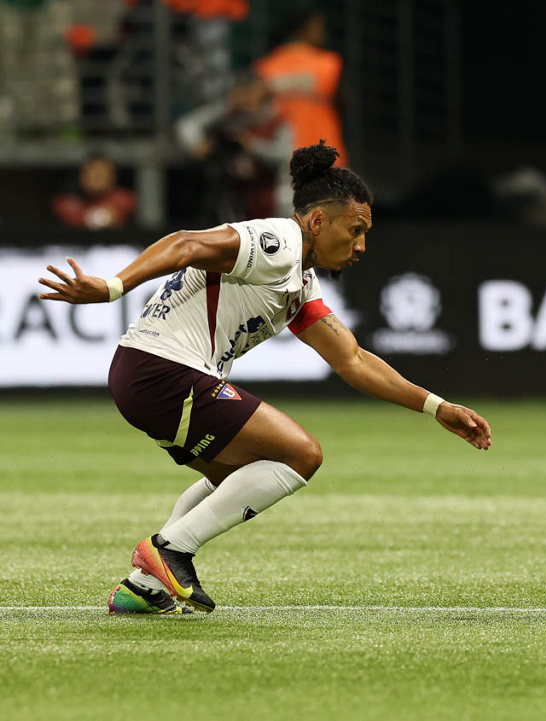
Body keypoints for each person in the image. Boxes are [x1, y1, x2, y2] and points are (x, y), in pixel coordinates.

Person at [38, 142, 491, 615]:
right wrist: (113, 287)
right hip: (163, 369)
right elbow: (185, 244)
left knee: (244, 474)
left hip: (147, 374)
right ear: (318, 221)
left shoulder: (299, 277)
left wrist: (437, 407)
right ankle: (170, 549)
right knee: (301, 454)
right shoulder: (277, 243)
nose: (361, 246)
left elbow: (352, 360)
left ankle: (145, 586)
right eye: (355, 230)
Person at [175, 71, 293, 222]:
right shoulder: (227, 120)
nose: (245, 100)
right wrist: (198, 143)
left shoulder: (276, 123)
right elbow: (186, 126)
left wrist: (252, 145)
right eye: (240, 94)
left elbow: (285, 156)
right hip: (229, 202)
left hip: (267, 202)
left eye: (249, 93)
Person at [254, 10, 348, 165]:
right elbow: (343, 104)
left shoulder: (265, 66)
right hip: (325, 155)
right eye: (318, 27)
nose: (323, 32)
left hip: (278, 157)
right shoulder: (328, 64)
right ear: (303, 29)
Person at [51, 154, 138, 230]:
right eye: (92, 172)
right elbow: (66, 212)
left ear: (112, 176)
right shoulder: (67, 200)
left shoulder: (124, 198)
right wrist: (94, 217)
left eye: (102, 173)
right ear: (82, 175)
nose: (97, 177)